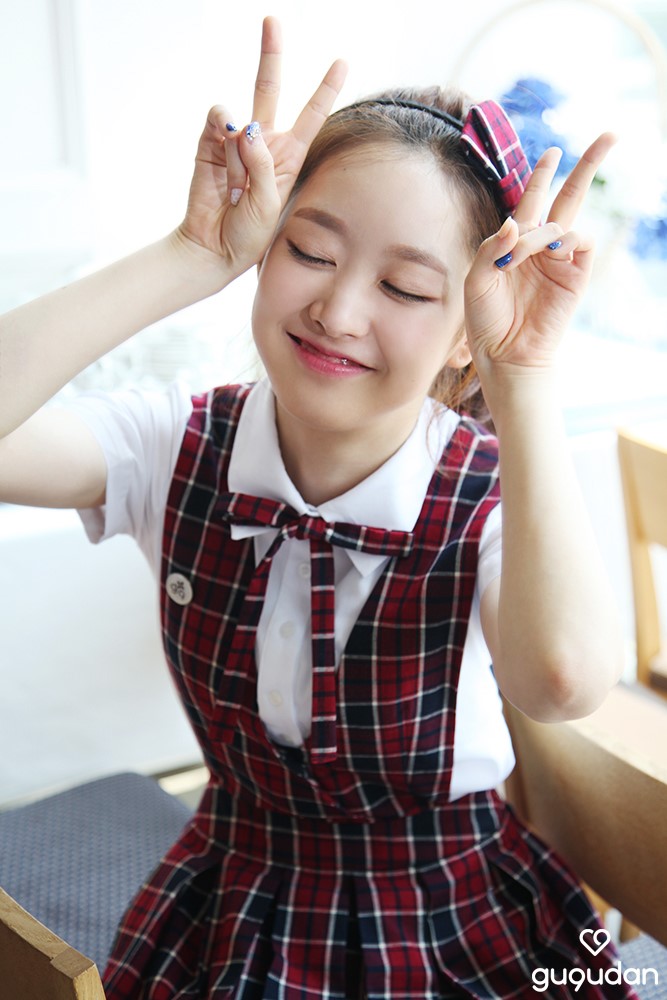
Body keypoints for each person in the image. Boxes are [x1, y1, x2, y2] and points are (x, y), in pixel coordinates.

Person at [0, 16, 639, 1000]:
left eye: (405, 287)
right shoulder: (177, 443)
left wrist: (521, 382)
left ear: (466, 331)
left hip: (455, 916)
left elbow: (561, 681)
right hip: (232, 900)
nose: (338, 312)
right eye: (308, 249)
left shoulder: (489, 485)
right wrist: (188, 254)